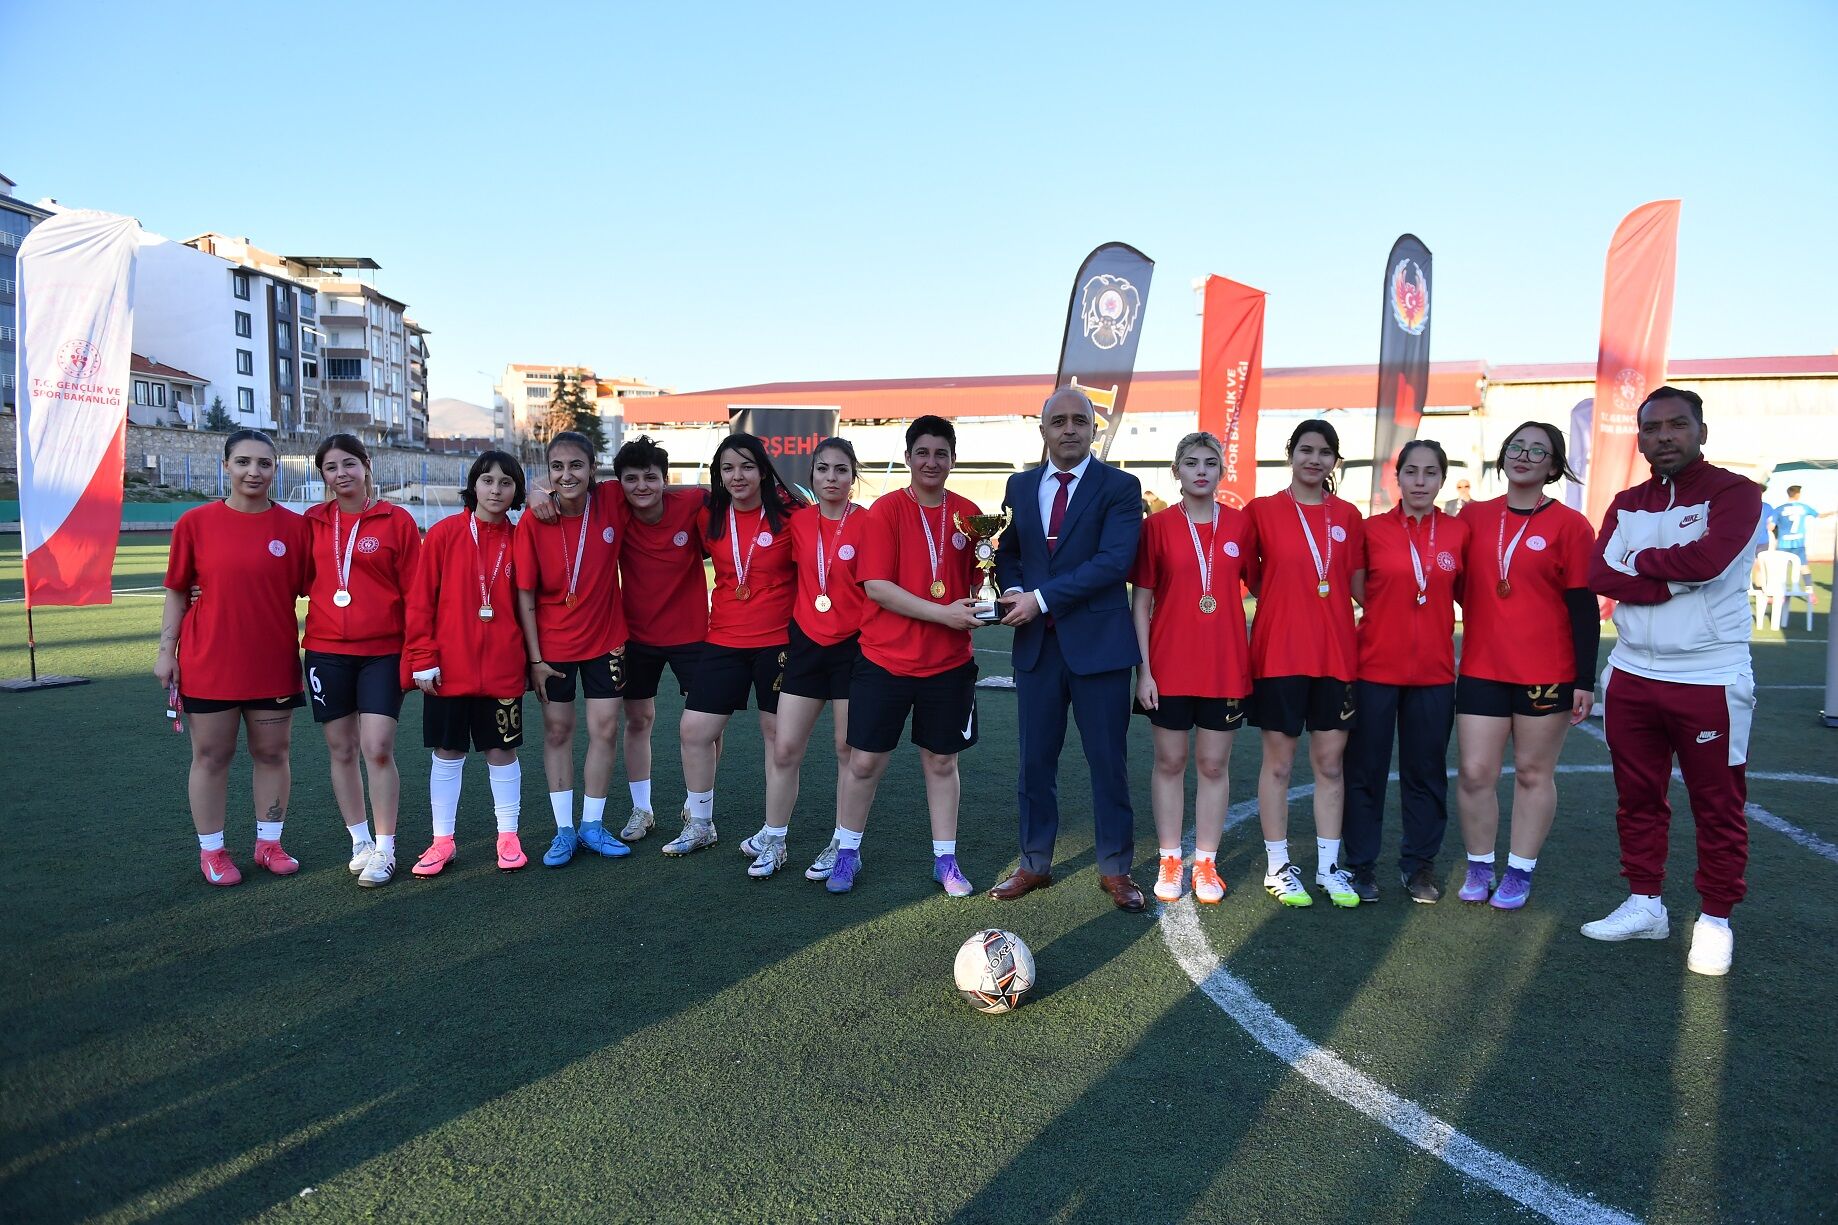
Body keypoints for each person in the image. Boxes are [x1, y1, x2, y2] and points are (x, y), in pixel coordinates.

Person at [1582, 387, 1764, 976]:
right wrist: (1672, 576)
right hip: (1632, 670)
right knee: (1637, 798)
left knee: (1718, 804)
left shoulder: (1736, 494)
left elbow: (1709, 561)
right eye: (1652, 427)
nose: (1664, 436)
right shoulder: (1627, 502)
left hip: (1710, 674)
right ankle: (1645, 904)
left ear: (1700, 432)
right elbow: (1598, 573)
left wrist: (1641, 565)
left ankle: (1715, 920)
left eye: (1677, 425)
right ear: (1639, 438)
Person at [989, 388, 1146, 912]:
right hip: (1038, 650)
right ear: (1043, 431)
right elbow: (1008, 553)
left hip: (1099, 648)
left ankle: (1116, 868)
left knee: (1108, 763)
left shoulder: (1120, 487)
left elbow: (1113, 562)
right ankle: (1034, 862)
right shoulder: (1019, 485)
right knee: (1034, 762)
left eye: (1080, 420)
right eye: (1059, 421)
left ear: (1094, 428)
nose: (1070, 429)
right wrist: (1013, 587)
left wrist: (1038, 599)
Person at [820, 415, 983, 895]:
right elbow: (877, 587)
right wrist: (944, 613)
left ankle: (946, 859)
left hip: (949, 665)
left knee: (942, 762)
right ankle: (847, 851)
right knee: (864, 762)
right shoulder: (885, 511)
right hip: (884, 661)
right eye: (922, 453)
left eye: (941, 454)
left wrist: (990, 599)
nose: (931, 462)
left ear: (953, 460)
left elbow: (980, 578)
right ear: (909, 457)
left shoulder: (969, 513)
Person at [1453, 422, 1598, 910]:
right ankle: (1479, 865)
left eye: (1539, 451)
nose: (1524, 456)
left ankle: (1519, 871)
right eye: (1517, 446)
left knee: (1534, 773)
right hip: (1482, 667)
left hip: (1546, 673)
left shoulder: (1571, 525)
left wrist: (1584, 679)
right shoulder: (1473, 516)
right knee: (1475, 772)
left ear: (1554, 466)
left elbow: (1582, 606)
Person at [156, 429, 311, 886]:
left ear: (275, 469)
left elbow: (317, 587)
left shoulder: (295, 528)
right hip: (209, 662)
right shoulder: (195, 523)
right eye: (243, 462)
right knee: (211, 755)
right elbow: (177, 591)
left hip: (272, 663)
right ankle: (213, 852)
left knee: (273, 753)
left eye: (264, 463)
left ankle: (269, 844)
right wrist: (166, 652)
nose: (253, 472)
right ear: (226, 466)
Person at [1242, 419, 1366, 908]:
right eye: (1306, 450)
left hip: (1336, 654)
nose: (1315, 460)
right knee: (1278, 764)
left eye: (1325, 452)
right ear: (1290, 454)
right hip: (1279, 654)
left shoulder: (1349, 515)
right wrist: (1286, 601)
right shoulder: (1261, 511)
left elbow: (1358, 584)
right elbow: (1251, 575)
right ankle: (1278, 867)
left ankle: (1329, 868)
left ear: (1335, 460)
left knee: (1330, 765)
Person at [665, 433, 803, 856]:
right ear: (718, 475)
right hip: (724, 638)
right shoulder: (708, 515)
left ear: (763, 471)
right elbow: (653, 498)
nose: (737, 476)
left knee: (777, 738)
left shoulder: (792, 515)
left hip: (779, 642)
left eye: (746, 466)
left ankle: (774, 835)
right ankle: (700, 823)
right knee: (694, 731)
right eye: (728, 468)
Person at [1344, 439, 1469, 904]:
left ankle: (1419, 865)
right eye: (1411, 472)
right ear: (1398, 478)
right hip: (1375, 669)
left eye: (1430, 473)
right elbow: (1360, 588)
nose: (1420, 481)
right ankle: (1360, 865)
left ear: (1441, 479)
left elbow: (1465, 592)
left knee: (1426, 773)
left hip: (1434, 674)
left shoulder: (1458, 532)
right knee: (1365, 771)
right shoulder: (1372, 529)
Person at [1130, 431, 1251, 905]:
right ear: (1176, 471)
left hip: (1225, 667)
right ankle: (1169, 858)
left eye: (1210, 463)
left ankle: (1205, 861)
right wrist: (1144, 671)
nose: (1201, 470)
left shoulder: (1241, 525)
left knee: (1214, 765)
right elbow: (1141, 603)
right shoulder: (1157, 527)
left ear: (1221, 471)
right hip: (1169, 665)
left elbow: (1268, 585)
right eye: (1192, 462)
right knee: (1170, 762)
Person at [743, 437, 867, 879]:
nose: (831, 478)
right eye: (823, 469)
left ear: (853, 477)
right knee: (785, 747)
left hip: (854, 648)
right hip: (806, 645)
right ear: (812, 475)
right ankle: (774, 839)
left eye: (841, 470)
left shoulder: (869, 523)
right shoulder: (796, 521)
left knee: (847, 749)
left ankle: (842, 843)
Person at [302, 433, 422, 887]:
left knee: (377, 747)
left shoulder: (396, 520)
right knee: (341, 749)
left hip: (383, 652)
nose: (341, 474)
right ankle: (360, 841)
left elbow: (416, 592)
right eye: (331, 468)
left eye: (349, 464)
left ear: (367, 465)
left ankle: (386, 847)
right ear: (323, 475)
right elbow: (289, 577)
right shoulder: (313, 522)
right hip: (326, 651)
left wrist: (419, 651)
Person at [404, 451, 531, 876]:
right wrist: (423, 656)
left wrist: (529, 662)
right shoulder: (444, 534)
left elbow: (532, 607)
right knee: (447, 751)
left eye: (506, 483)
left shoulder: (521, 539)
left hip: (503, 669)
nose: (496, 490)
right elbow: (420, 601)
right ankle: (442, 841)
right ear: (474, 485)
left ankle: (508, 836)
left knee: (502, 749)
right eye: (487, 480)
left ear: (516, 491)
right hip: (448, 670)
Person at [514, 430, 633, 867]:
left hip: (606, 640)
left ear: (593, 469)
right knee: (558, 732)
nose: (567, 475)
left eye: (576, 466)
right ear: (547, 472)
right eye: (557, 467)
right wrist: (535, 660)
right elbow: (525, 596)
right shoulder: (533, 520)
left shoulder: (611, 500)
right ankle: (564, 830)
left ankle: (592, 825)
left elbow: (648, 483)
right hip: (553, 648)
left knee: (605, 730)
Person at [1771, 484, 1818, 565]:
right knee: (1803, 567)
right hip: (1798, 542)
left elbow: (1771, 526)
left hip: (1783, 543)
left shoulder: (1779, 509)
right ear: (1797, 494)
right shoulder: (1804, 507)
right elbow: (1818, 515)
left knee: (1780, 567)